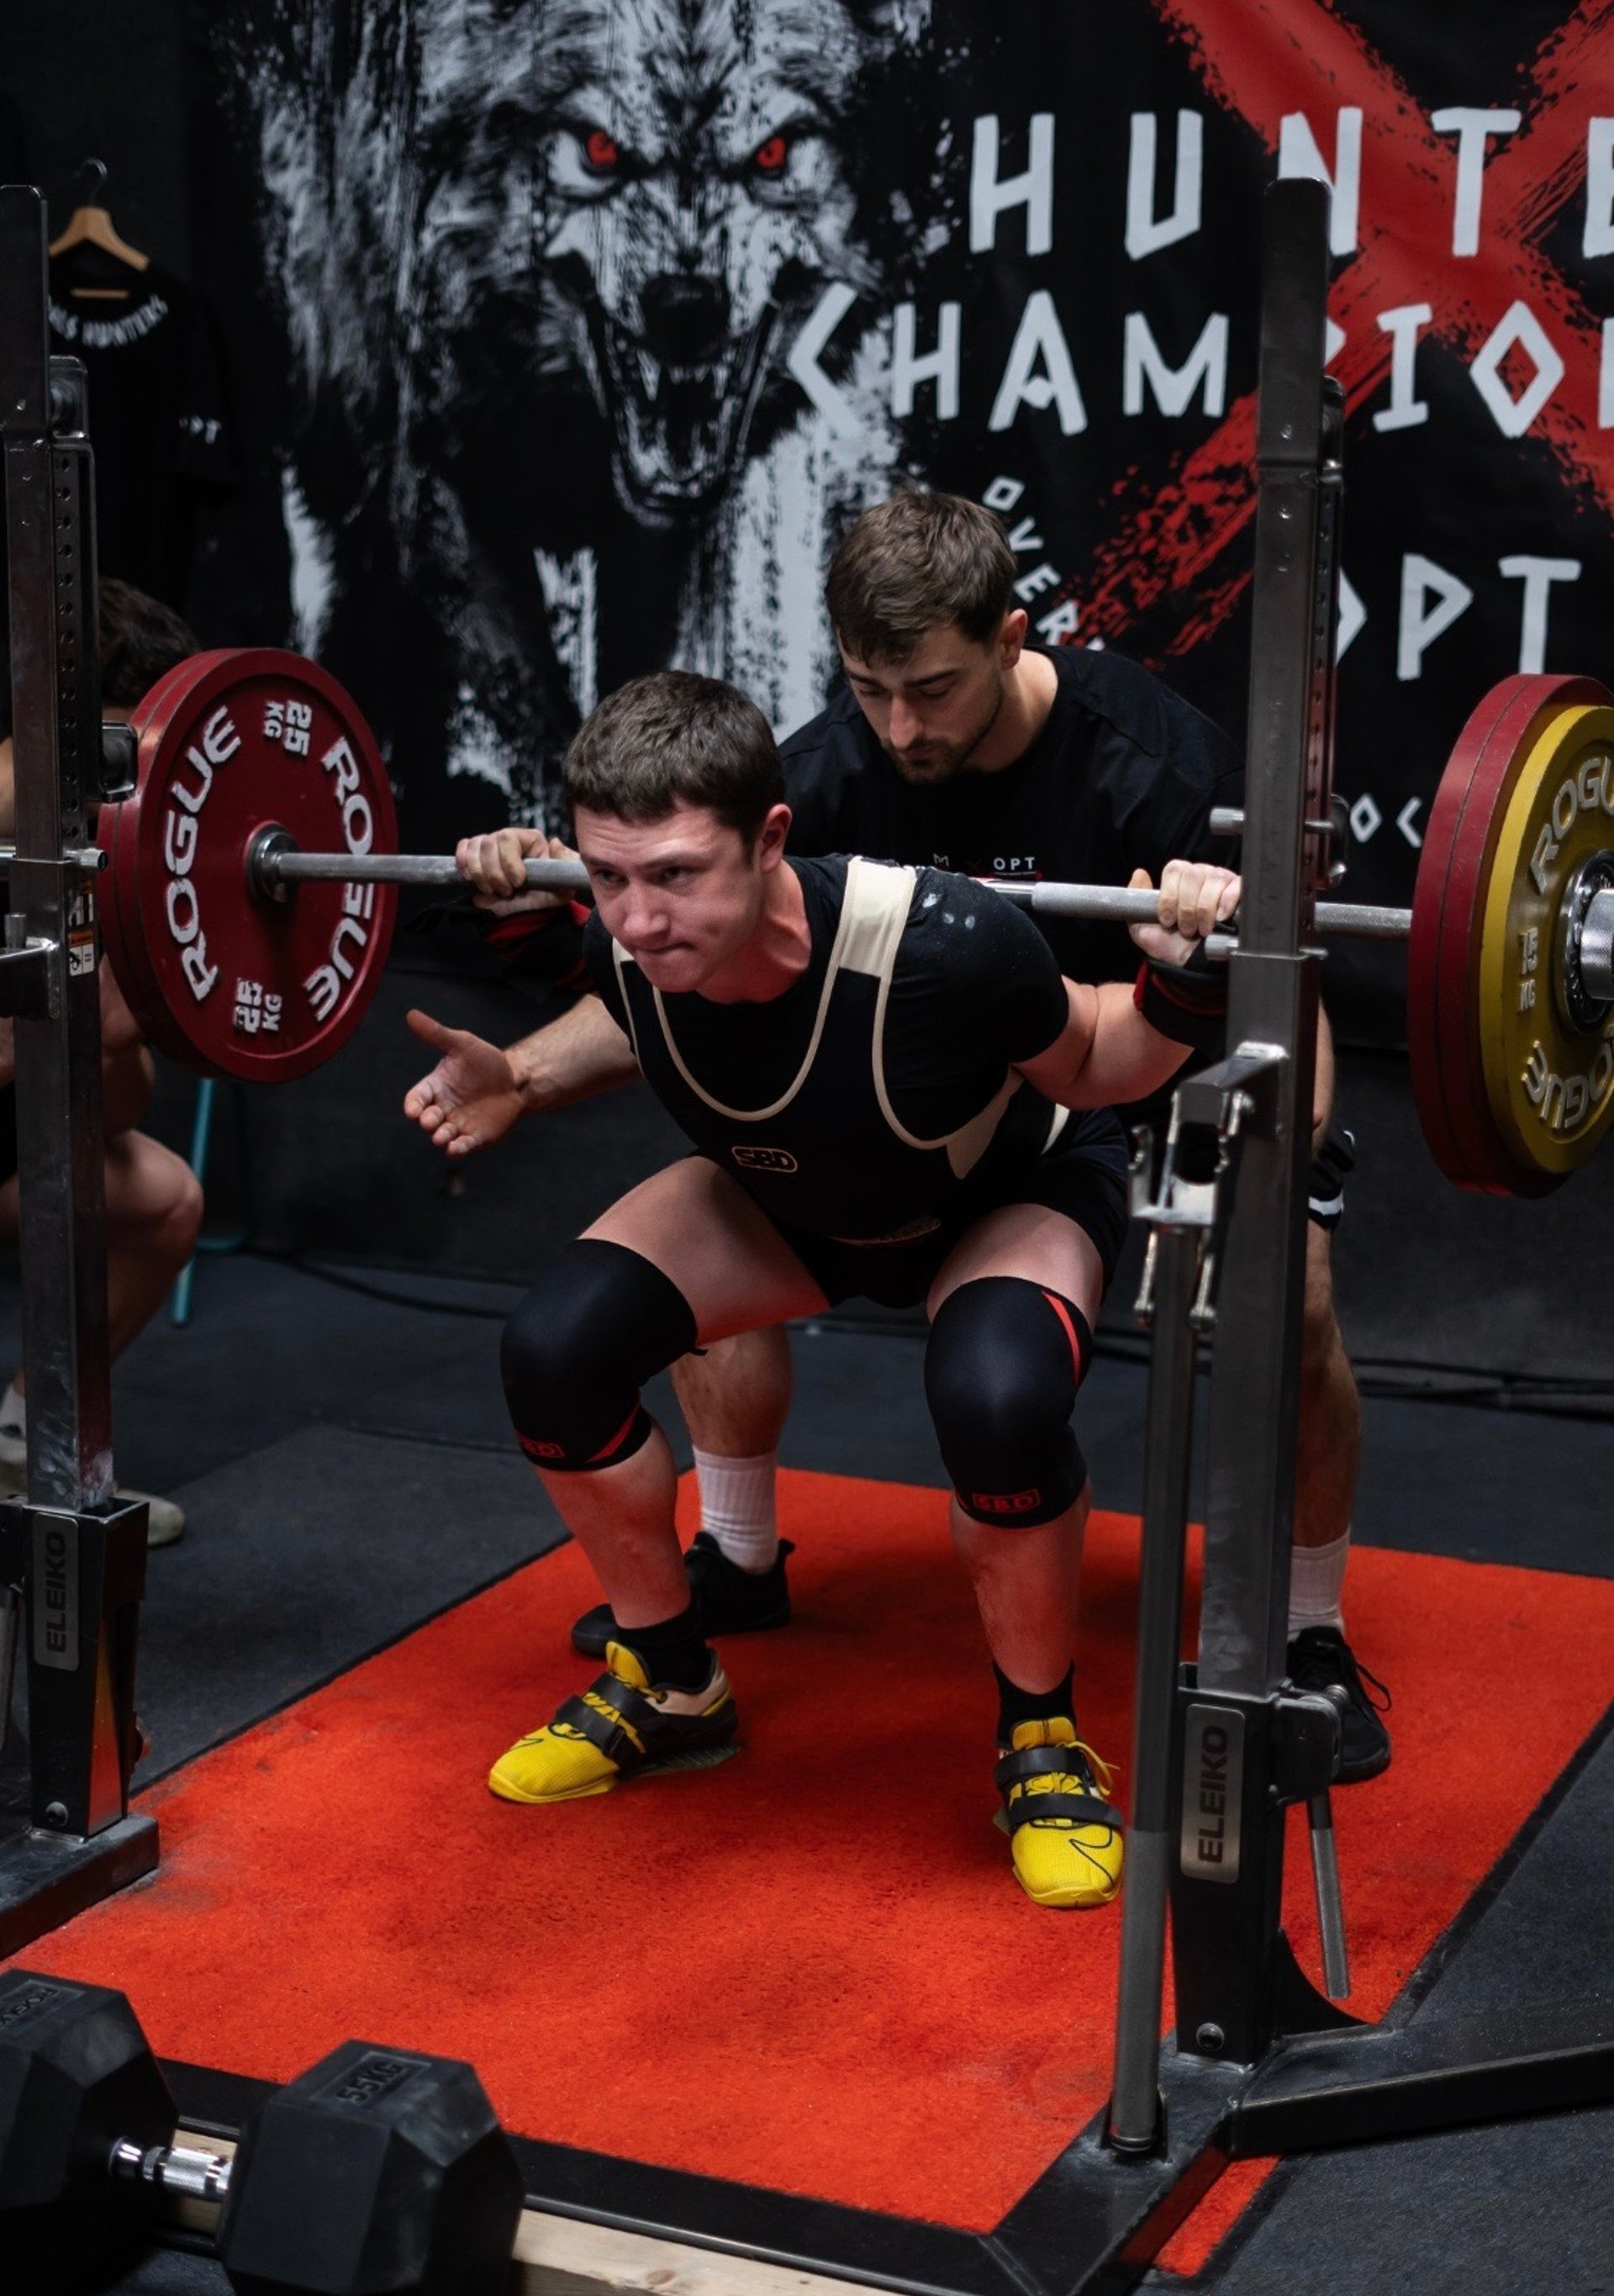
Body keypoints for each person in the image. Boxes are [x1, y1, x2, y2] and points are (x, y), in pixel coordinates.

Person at [452, 494, 1385, 1785]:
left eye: (932, 688)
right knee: (726, 1183)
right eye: (869, 687)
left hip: (1122, 1065)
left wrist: (1289, 1146)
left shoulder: (1154, 762)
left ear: (1011, 638)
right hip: (882, 1090)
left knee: (1296, 1295)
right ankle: (732, 1559)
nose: (901, 726)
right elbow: (674, 969)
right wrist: (516, 1072)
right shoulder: (828, 774)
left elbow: (1278, 969)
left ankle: (1309, 1631)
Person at [404, 668, 1239, 1908]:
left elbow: (1108, 1062)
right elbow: (616, 999)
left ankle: (1042, 1735)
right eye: (611, 875)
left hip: (997, 1199)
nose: (638, 916)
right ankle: (671, 1677)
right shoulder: (626, 930)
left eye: (677, 874)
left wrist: (1187, 968)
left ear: (772, 837)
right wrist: (517, 1074)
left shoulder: (946, 940)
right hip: (794, 1204)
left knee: (1000, 1402)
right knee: (555, 1351)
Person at [0, 579, 205, 1541]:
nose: (125, 786)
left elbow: (114, 1112)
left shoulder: (94, 850)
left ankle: (20, 1445)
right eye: (115, 753)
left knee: (164, 1195)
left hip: (10, 1143)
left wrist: (111, 1028)